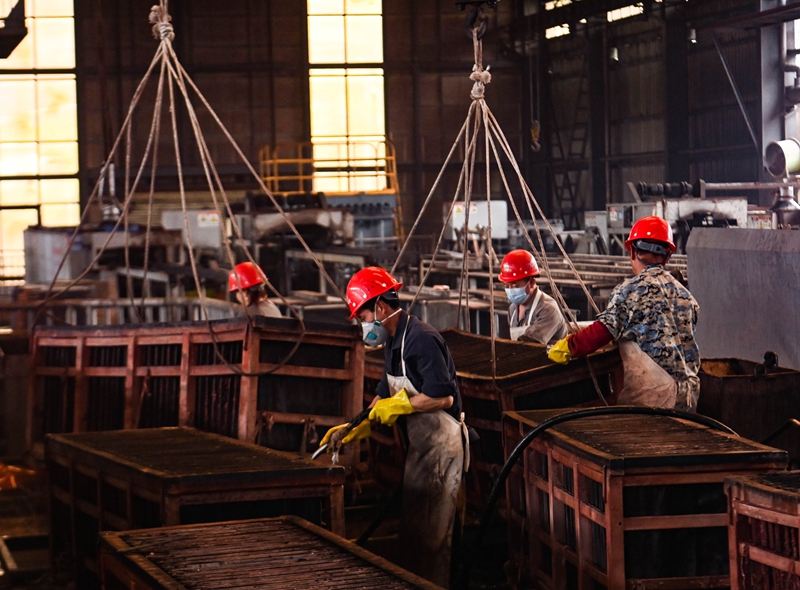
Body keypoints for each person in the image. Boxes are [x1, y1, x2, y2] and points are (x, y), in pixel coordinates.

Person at [321, 266, 466, 587]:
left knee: (433, 535)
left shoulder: (422, 340)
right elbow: (383, 394)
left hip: (443, 447)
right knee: (415, 528)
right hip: (422, 450)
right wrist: (355, 425)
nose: (362, 325)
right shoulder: (393, 343)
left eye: (362, 316)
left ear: (382, 308)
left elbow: (441, 398)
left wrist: (399, 406)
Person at [548, 216, 700, 411]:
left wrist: (569, 346)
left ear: (633, 252)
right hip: (689, 398)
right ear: (667, 256)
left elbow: (602, 332)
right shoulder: (687, 296)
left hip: (654, 399)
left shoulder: (631, 290)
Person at [499, 249, 568, 345]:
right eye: (506, 286)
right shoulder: (513, 309)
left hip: (549, 359)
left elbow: (529, 345)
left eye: (515, 285)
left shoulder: (548, 309)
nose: (510, 290)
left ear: (531, 283)